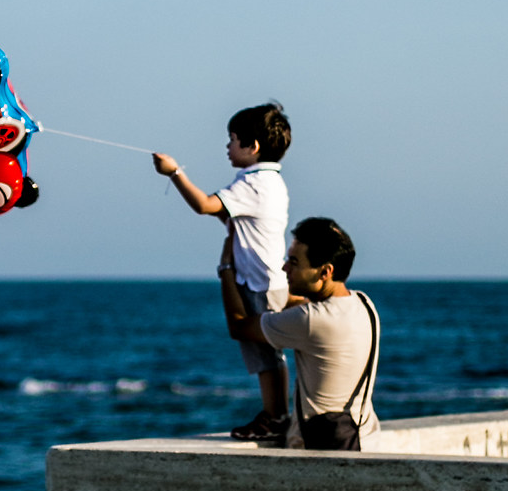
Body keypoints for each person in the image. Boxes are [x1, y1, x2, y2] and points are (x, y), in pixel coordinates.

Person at [151, 103, 293, 437]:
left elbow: (204, 205)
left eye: (232, 140)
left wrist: (174, 172)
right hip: (264, 279)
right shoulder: (267, 182)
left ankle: (275, 417)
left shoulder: (254, 183)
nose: (227, 147)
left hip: (259, 282)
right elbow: (227, 214)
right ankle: (275, 416)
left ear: (252, 146)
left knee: (267, 355)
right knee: (267, 354)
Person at [223, 216, 379, 448]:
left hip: (322, 450)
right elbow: (301, 307)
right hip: (365, 439)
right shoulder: (364, 304)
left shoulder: (309, 320)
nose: (285, 268)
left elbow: (239, 327)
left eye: (294, 262)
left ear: (325, 271)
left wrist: (226, 268)